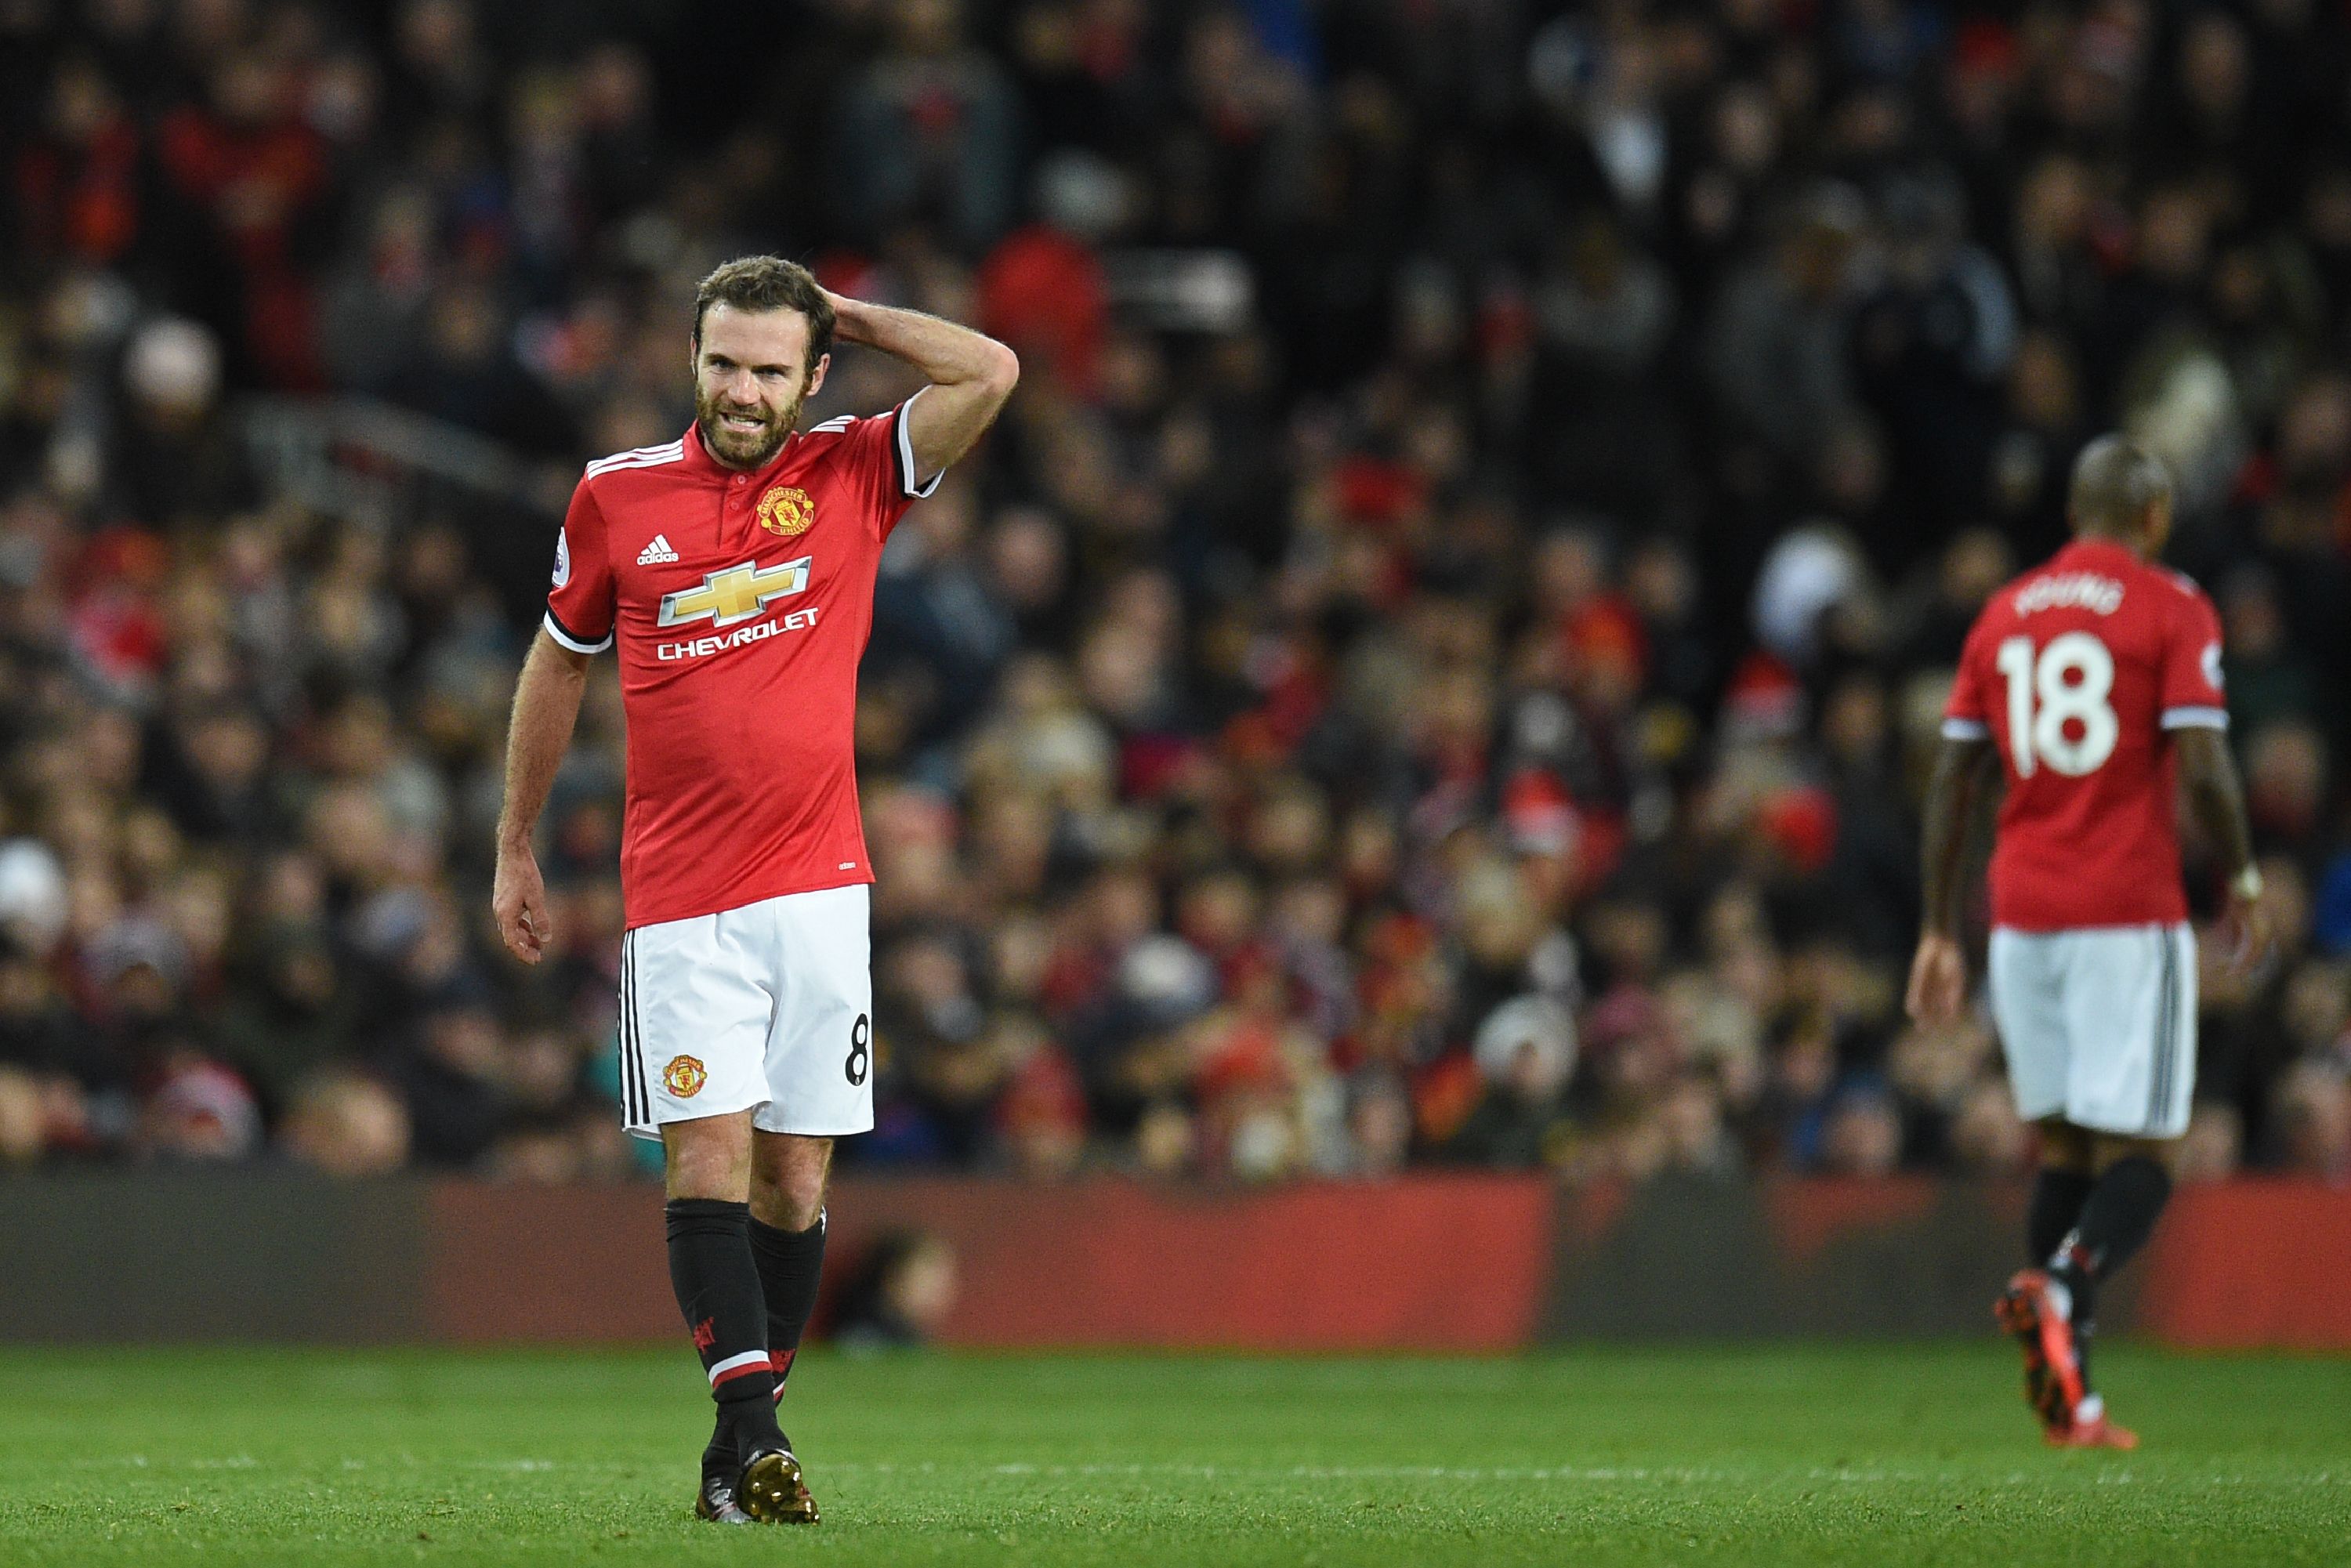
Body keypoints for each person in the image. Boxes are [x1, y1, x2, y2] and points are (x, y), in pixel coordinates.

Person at [491, 255, 1017, 1523]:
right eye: (722, 362)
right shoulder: (618, 497)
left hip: (823, 894)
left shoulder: (853, 473)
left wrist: (854, 313)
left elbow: (990, 370)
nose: (740, 389)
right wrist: (514, 840)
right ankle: (753, 1432)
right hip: (678, 900)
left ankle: (739, 1458)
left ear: (813, 373)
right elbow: (558, 664)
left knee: (794, 1181)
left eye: (770, 368)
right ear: (694, 360)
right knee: (708, 1162)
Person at [1908, 436, 2270, 1450]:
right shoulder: (2171, 604)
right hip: (2124, 910)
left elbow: (1952, 783)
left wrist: (1940, 929)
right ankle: (2060, 1287)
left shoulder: (2004, 612)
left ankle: (2074, 1399)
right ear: (2152, 517)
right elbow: (2202, 761)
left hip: (2020, 915)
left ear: (2075, 515)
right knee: (2149, 1150)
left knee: (2066, 1148)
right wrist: (2239, 879)